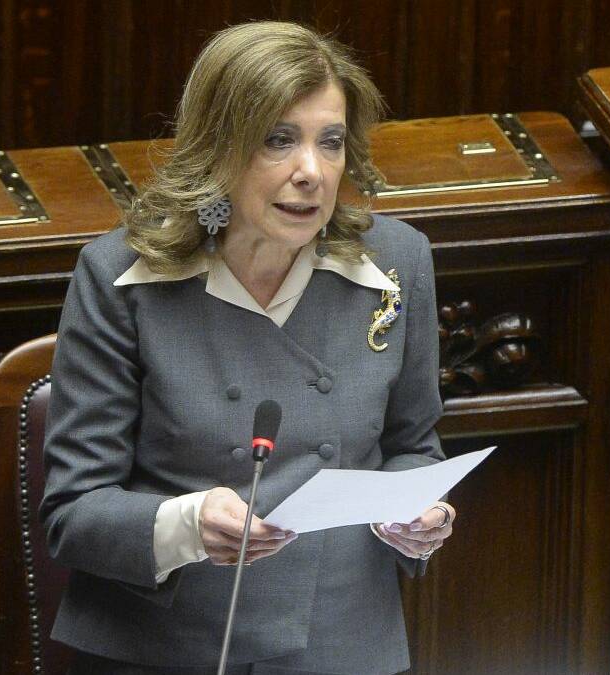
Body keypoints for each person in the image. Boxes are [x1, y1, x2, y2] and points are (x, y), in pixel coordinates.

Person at [40, 21, 455, 675]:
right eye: (278, 140)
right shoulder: (122, 275)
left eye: (331, 142)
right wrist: (188, 523)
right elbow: (73, 512)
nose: (311, 172)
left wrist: (414, 513)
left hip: (339, 643)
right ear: (218, 148)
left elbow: (413, 444)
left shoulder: (397, 261)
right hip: (165, 649)